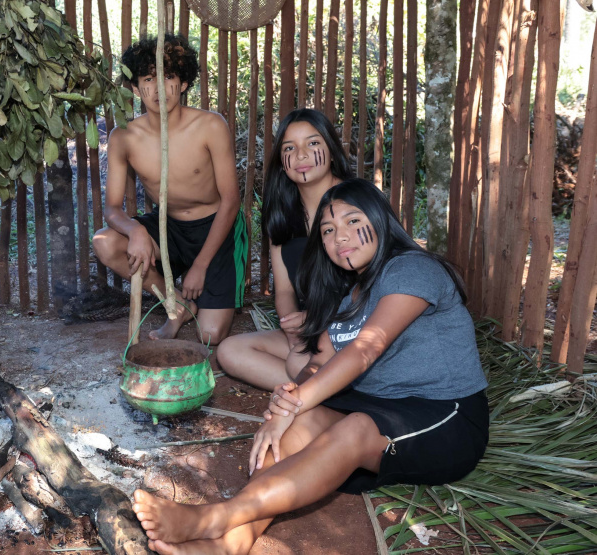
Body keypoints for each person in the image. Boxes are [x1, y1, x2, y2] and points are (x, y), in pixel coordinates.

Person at [131, 178, 489, 555]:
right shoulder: (349, 293)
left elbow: (365, 350)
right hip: (377, 407)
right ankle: (230, 545)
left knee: (351, 426)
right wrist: (288, 399)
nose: (341, 237)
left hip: (445, 416)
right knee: (296, 426)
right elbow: (320, 360)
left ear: (382, 219)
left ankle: (212, 519)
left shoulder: (411, 268)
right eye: (328, 230)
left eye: (353, 221)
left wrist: (295, 402)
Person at [93, 34, 244, 345]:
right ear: (135, 88)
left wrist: (200, 266)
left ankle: (197, 297)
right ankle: (174, 304)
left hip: (215, 227)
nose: (159, 88)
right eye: (148, 79)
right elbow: (111, 209)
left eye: (169, 77)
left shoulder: (211, 126)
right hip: (167, 228)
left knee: (209, 335)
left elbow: (231, 201)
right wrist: (135, 230)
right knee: (106, 243)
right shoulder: (124, 137)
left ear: (184, 83)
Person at [216, 109, 353, 390]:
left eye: (313, 143)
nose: (301, 155)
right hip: (310, 329)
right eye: (290, 147)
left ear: (331, 148)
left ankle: (319, 393)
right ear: (282, 160)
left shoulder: (356, 204)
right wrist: (293, 333)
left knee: (298, 364)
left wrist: (320, 322)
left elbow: (379, 289)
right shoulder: (282, 211)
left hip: (356, 330)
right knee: (229, 351)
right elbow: (285, 292)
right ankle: (323, 395)